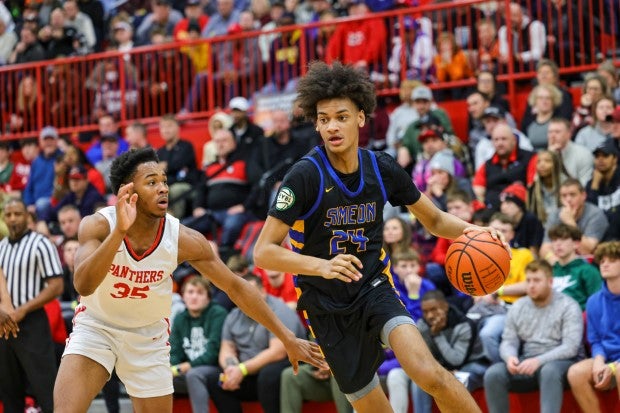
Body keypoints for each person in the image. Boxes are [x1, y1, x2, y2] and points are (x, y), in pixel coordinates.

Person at [252, 61, 503, 413]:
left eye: (341, 116)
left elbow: (433, 219)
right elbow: (262, 253)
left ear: (360, 118)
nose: (332, 126)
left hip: (374, 288)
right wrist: (322, 266)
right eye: (323, 119)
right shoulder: (304, 176)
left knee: (430, 374)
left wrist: (475, 230)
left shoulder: (381, 167)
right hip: (325, 306)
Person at [53, 148, 326, 413]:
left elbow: (235, 286)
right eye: (151, 182)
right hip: (98, 327)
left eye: (163, 181)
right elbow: (83, 285)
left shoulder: (183, 239)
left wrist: (287, 337)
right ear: (128, 192)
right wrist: (118, 234)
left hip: (148, 336)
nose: (163, 188)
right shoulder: (98, 225)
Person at [483, 260, 583, 413]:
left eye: (537, 280)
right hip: (528, 361)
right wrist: (510, 357)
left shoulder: (568, 305)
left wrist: (539, 361)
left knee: (549, 370)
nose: (531, 285)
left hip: (562, 363)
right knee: (493, 373)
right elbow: (509, 341)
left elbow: (571, 347)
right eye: (528, 280)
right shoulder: (518, 306)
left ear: (550, 282)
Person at [205, 274, 307, 413]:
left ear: (263, 292)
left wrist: (242, 369)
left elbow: (278, 352)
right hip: (249, 371)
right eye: (239, 294)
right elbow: (226, 348)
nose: (244, 299)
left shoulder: (279, 310)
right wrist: (232, 368)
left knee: (268, 374)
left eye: (248, 293)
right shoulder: (233, 315)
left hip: (285, 366)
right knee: (215, 379)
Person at [0, 198, 64, 413]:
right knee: (9, 391)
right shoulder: (1, 247)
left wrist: (23, 309)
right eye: (8, 215)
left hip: (32, 322)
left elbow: (56, 286)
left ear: (27, 217)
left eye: (17, 214)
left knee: (46, 388)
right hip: (4, 325)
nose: (12, 219)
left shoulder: (40, 243)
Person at [388, 290, 487, 413]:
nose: (429, 316)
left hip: (468, 365)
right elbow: (422, 358)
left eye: (434, 309)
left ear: (445, 307)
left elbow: (456, 361)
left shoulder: (464, 324)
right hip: (439, 366)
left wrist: (437, 335)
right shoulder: (422, 324)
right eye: (425, 312)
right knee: (399, 375)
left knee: (457, 378)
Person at [567, 241, 620, 412]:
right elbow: (595, 340)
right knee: (575, 373)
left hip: (617, 365)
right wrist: (599, 361)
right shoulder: (594, 301)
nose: (604, 264)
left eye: (611, 260)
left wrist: (612, 367)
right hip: (608, 358)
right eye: (602, 260)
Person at [170, 276, 228, 413]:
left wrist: (183, 367)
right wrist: (171, 368)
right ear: (183, 296)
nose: (194, 297)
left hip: (214, 370)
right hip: (186, 370)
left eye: (200, 292)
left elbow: (213, 353)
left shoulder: (218, 314)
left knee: (194, 375)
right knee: (159, 376)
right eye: (190, 292)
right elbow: (174, 351)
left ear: (208, 297)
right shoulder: (180, 318)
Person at [548, 223, 602, 310]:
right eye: (554, 240)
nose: (558, 244)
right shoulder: (549, 271)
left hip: (578, 318)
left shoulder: (588, 270)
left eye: (563, 239)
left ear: (576, 244)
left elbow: (598, 302)